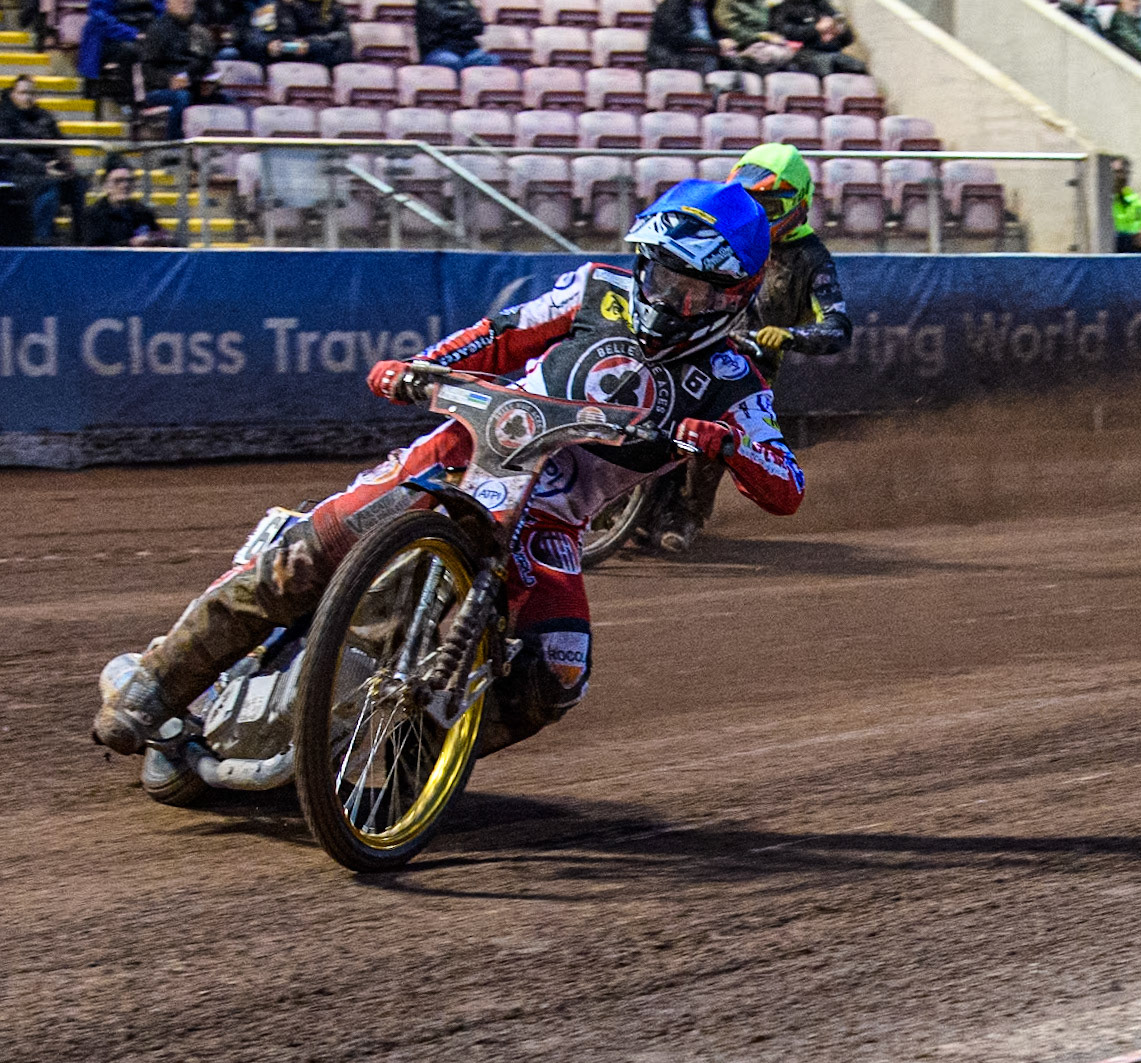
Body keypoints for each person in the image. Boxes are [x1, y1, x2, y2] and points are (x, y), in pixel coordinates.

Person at [94, 179, 805, 760]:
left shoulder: (734, 378)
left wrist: (729, 445)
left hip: (550, 522)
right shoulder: (595, 288)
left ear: (732, 296)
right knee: (308, 553)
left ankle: (409, 759)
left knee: (560, 669)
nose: (667, 296)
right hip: (467, 455)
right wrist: (420, 367)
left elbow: (786, 486)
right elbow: (499, 337)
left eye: (692, 289)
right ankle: (157, 683)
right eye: (659, 272)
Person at [644, 143, 850, 553]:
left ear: (798, 204)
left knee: (716, 436)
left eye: (770, 207)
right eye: (748, 203)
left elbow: (838, 326)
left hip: (747, 370)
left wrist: (789, 335)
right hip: (691, 343)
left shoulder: (811, 258)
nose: (757, 217)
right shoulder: (720, 231)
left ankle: (688, 515)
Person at [0, 76, 84, 243]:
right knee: (48, 187)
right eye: (23, 93)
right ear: (13, 95)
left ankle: (80, 239)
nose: (28, 97)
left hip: (50, 168)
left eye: (31, 93)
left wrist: (65, 162)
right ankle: (41, 239)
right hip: (20, 172)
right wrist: (43, 168)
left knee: (78, 183)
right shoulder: (5, 117)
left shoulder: (44, 116)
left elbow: (60, 142)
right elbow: (12, 152)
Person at [139, 0, 215, 141]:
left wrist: (211, 83)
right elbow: (148, 69)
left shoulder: (200, 32)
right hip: (160, 90)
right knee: (182, 97)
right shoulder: (157, 30)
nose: (185, 2)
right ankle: (174, 145)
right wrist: (169, 81)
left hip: (194, 85)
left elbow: (208, 64)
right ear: (168, 3)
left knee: (224, 99)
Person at [234, 0, 352, 68]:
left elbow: (339, 37)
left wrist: (308, 44)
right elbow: (251, 37)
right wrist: (267, 45)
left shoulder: (333, 8)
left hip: (308, 55)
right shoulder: (269, 7)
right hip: (277, 58)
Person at [83, 156, 173, 244]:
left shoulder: (143, 213)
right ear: (105, 185)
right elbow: (94, 252)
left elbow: (160, 235)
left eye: (129, 180)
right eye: (118, 181)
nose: (125, 185)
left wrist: (160, 239)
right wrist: (130, 244)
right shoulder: (93, 215)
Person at [769, 0, 866, 77]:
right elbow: (785, 32)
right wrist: (816, 29)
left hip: (831, 52)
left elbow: (847, 37)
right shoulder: (783, 8)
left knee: (857, 67)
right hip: (803, 55)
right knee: (833, 64)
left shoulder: (823, 5)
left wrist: (836, 31)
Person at [77, 0, 162, 87]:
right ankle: (133, 97)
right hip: (112, 39)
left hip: (148, 36)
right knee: (132, 51)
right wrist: (133, 34)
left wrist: (155, 34)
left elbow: (163, 15)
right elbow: (100, 19)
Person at [713, 0, 799, 71]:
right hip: (739, 45)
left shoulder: (760, 3)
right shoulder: (726, 3)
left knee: (790, 54)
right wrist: (761, 36)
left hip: (762, 43)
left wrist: (774, 37)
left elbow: (768, 25)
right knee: (774, 54)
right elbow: (730, 29)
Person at [415, 0, 497, 70]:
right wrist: (464, 22)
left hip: (466, 48)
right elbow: (442, 19)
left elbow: (479, 26)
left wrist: (457, 25)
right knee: (453, 62)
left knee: (491, 60)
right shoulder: (426, 2)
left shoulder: (464, 2)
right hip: (437, 49)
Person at [647, 0, 722, 74]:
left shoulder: (708, 5)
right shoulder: (673, 6)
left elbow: (717, 31)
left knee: (730, 62)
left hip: (701, 52)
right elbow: (679, 39)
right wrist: (716, 45)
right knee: (709, 62)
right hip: (671, 56)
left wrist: (725, 41)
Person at [1111, 156, 1141, 252]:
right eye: (1114, 172)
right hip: (1107, 258)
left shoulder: (1139, 202)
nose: (1118, 177)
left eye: (1121, 172)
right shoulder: (1101, 205)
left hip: (1136, 258)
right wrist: (1130, 239)